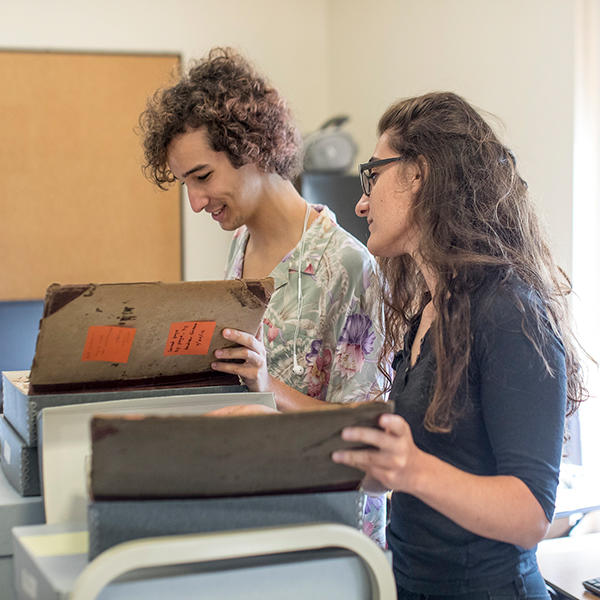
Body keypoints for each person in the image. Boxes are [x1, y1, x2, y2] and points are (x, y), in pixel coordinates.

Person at [332, 92, 588, 598]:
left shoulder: (509, 313)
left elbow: (531, 514)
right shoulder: (429, 311)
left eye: (373, 175)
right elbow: (408, 470)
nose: (361, 202)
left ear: (420, 173)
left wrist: (412, 469)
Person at [138, 47, 387, 546]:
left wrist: (270, 389)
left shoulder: (348, 265)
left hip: (330, 537)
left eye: (203, 177)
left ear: (250, 148)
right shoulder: (241, 244)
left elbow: (371, 434)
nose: (195, 202)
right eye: (186, 184)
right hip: (258, 516)